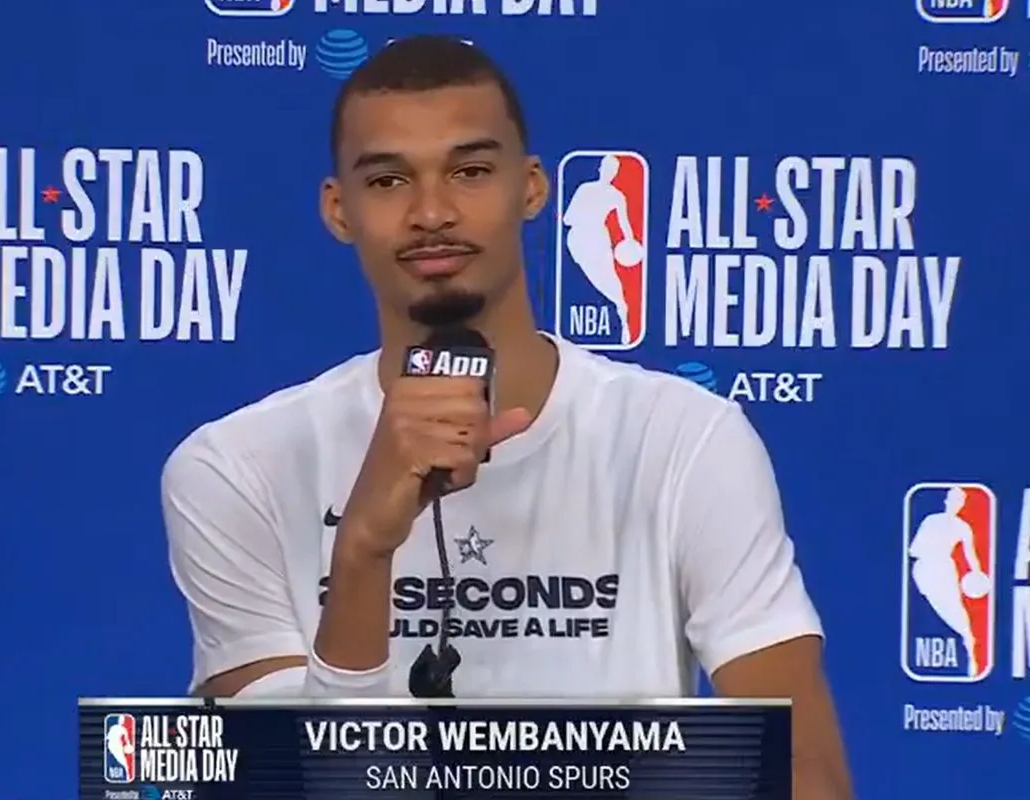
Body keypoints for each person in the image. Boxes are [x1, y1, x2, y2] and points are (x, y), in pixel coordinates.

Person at [162, 35, 851, 798]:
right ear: (338, 210)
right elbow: (285, 787)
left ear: (531, 189)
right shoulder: (235, 467)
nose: (432, 212)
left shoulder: (684, 438)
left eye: (470, 172)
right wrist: (360, 551)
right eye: (388, 180)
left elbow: (804, 769)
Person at [561, 153, 643, 345]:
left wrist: (630, 242)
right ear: (600, 169)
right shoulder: (585, 189)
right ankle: (619, 307)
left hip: (598, 238)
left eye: (613, 170)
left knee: (610, 279)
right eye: (607, 168)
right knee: (594, 278)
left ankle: (622, 313)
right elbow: (566, 219)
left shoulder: (617, 196)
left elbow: (624, 224)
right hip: (579, 239)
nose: (609, 173)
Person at [908, 485, 988, 677]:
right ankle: (966, 639)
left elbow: (971, 555)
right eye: (953, 499)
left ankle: (969, 646)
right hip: (925, 569)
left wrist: (977, 573)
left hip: (945, 568)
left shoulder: (963, 527)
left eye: (959, 501)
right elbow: (913, 549)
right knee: (939, 607)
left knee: (955, 608)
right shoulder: (931, 520)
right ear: (946, 501)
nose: (955, 504)